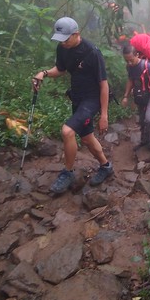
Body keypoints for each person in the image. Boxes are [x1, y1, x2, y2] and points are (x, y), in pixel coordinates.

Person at [32, 17, 113, 194]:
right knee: (86, 137)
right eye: (60, 39)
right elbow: (60, 69)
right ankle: (106, 166)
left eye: (66, 39)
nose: (63, 43)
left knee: (67, 131)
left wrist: (104, 115)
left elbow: (103, 84)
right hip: (77, 98)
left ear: (76, 34)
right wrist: (43, 73)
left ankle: (67, 173)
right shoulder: (63, 47)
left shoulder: (92, 52)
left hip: (91, 100)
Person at [121, 44, 150, 150]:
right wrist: (125, 96)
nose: (129, 63)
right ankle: (144, 140)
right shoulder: (130, 67)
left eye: (131, 59)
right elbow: (130, 80)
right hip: (140, 95)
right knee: (141, 120)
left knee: (149, 119)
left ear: (137, 55)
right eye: (127, 60)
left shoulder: (147, 66)